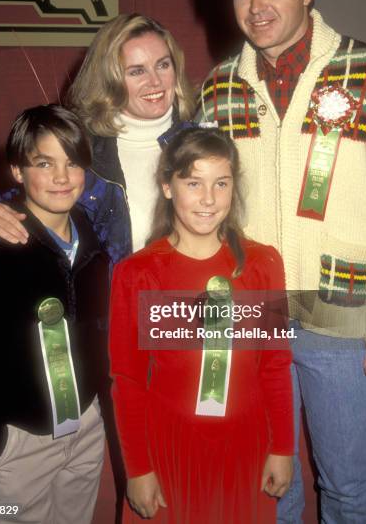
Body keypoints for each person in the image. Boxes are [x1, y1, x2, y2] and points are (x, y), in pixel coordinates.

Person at [197, 0, 366, 524]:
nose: (256, 7)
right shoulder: (219, 86)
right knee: (271, 481)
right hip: (253, 313)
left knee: (348, 482)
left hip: (342, 312)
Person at [109, 127, 294, 523]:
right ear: (168, 186)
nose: (208, 199)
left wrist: (283, 446)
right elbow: (128, 380)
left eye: (220, 183)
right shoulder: (137, 273)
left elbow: (275, 364)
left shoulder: (263, 265)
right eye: (193, 182)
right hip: (169, 447)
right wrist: (138, 469)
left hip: (246, 446)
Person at [0, 105, 109, 524]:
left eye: (72, 162)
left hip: (83, 425)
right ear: (18, 172)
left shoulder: (94, 240)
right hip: (18, 439)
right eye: (44, 163)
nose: (62, 177)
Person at [0, 14, 195, 263]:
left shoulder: (202, 142)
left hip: (185, 299)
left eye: (163, 65)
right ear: (109, 79)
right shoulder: (81, 144)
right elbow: (15, 197)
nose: (154, 81)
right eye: (136, 71)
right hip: (107, 300)